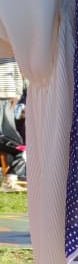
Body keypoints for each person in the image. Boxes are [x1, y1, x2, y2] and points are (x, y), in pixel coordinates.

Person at [0, 57, 26, 189]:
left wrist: (18, 94)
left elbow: (16, 73)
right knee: (7, 142)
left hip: (9, 99)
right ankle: (11, 178)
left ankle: (12, 178)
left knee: (16, 142)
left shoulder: (10, 53)